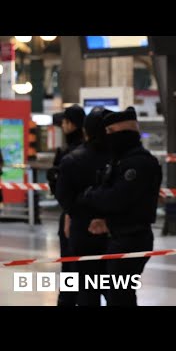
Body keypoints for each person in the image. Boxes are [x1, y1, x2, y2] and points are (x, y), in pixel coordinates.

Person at [78, 107, 162, 306]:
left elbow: (117, 198)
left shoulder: (138, 164)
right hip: (120, 234)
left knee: (119, 295)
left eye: (110, 133)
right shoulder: (122, 161)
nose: (107, 139)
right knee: (117, 294)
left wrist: (91, 196)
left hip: (132, 238)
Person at [55, 108, 112, 306]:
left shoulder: (71, 158)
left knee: (82, 284)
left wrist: (72, 213)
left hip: (80, 228)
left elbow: (63, 195)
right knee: (114, 286)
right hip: (113, 229)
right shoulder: (118, 157)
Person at [48, 104, 85, 306]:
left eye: (64, 122)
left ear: (71, 124)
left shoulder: (68, 155)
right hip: (91, 219)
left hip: (72, 217)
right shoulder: (91, 150)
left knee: (70, 270)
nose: (62, 125)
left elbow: (61, 192)